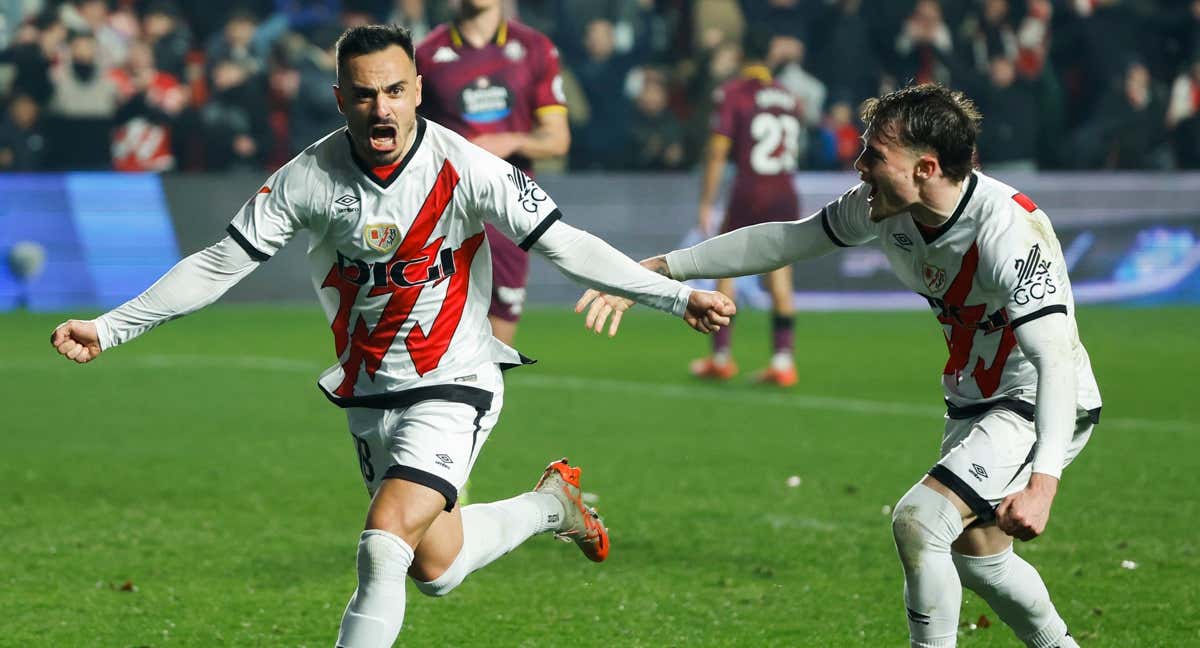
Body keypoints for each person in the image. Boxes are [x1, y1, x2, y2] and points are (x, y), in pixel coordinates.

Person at [50, 24, 734, 648]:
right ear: (341, 97)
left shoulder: (465, 167)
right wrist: (110, 328)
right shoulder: (309, 178)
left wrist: (674, 297)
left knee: (382, 545)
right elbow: (219, 263)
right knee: (435, 566)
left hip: (456, 379)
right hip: (372, 391)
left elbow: (566, 244)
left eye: (397, 91)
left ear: (417, 91)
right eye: (367, 94)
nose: (384, 109)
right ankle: (551, 505)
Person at [578, 83, 1101, 648]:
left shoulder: (1008, 233)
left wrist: (1043, 483)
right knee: (980, 559)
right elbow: (784, 241)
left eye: (874, 155)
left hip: (1037, 401)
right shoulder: (885, 209)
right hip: (976, 400)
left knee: (921, 522)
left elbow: (1053, 360)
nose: (858, 167)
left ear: (925, 167)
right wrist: (660, 269)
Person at [414, 0, 569, 347]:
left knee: (498, 347)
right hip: (446, 211)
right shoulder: (424, 55)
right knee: (437, 342)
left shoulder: (534, 48)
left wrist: (509, 139)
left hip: (509, 208)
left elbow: (558, 140)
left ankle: (485, 402)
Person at [690, 31, 804, 387]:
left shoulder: (733, 94)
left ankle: (721, 356)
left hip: (750, 190)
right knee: (780, 276)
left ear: (742, 59)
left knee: (728, 267)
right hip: (785, 191)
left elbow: (718, 151)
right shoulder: (788, 98)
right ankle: (783, 361)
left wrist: (707, 201)